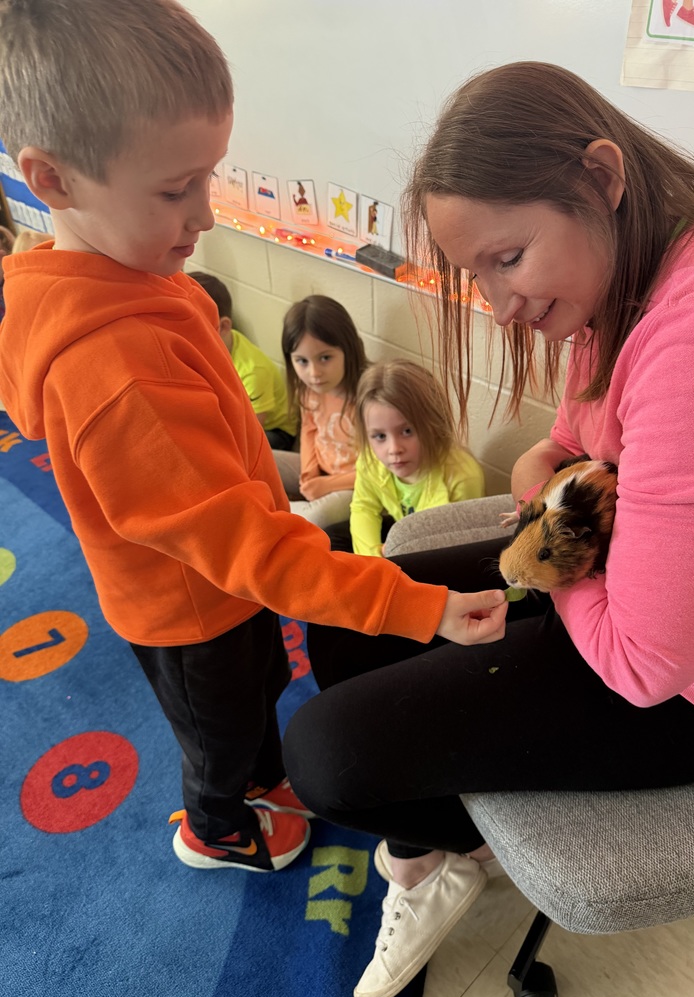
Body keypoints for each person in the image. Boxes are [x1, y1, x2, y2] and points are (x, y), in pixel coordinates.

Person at [281, 60, 694, 997]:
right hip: (622, 583)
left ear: (601, 176)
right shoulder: (645, 246)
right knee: (346, 616)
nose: (501, 308)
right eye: (479, 275)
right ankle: (437, 852)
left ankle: (432, 854)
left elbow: (645, 665)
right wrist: (549, 456)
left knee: (325, 757)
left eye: (508, 260)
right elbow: (588, 431)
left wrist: (544, 564)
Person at [0, 0, 507, 879]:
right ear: (52, 180)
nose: (208, 212)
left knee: (257, 690)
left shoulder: (120, 275)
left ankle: (257, 778)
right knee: (219, 734)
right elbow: (247, 551)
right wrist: (415, 606)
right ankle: (218, 830)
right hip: (190, 604)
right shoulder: (115, 371)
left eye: (209, 176)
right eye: (174, 190)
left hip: (218, 577)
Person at [327, 358, 485, 555]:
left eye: (407, 431)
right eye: (380, 436)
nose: (394, 449)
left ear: (434, 425)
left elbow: (457, 544)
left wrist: (397, 558)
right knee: (329, 539)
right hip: (402, 531)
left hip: (438, 548)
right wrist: (373, 559)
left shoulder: (462, 477)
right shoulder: (370, 458)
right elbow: (364, 508)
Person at [273, 294, 368, 528]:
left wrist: (327, 485)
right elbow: (309, 431)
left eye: (325, 358)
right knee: (256, 458)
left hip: (357, 486)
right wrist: (308, 473)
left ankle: (280, 520)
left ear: (348, 348)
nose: (314, 373)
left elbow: (380, 469)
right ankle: (276, 516)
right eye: (302, 361)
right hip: (321, 473)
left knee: (316, 518)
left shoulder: (369, 394)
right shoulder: (310, 389)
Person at [187, 271, 298, 450]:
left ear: (223, 327)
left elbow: (253, 431)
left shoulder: (253, 371)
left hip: (274, 430)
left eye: (196, 331)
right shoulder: (221, 343)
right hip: (236, 414)